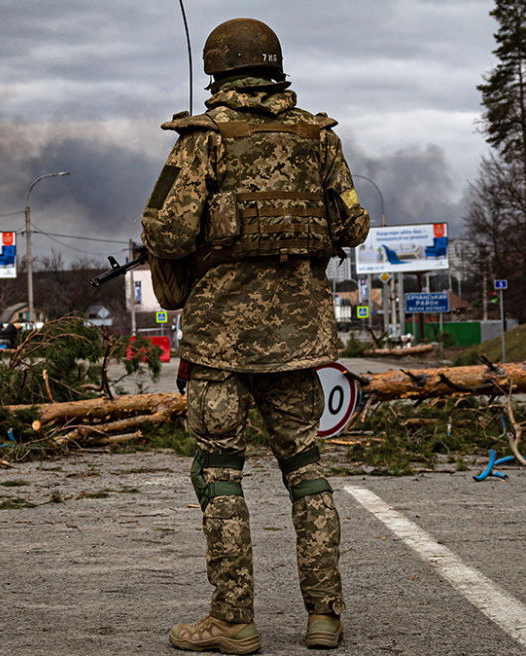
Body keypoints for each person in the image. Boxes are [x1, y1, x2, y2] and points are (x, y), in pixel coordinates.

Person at [141, 17, 370, 654]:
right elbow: (353, 225)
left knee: (219, 473)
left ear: (217, 71)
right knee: (306, 469)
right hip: (300, 337)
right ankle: (324, 614)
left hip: (219, 340)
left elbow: (166, 233)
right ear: (275, 68)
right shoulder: (319, 138)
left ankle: (233, 619)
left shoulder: (203, 140)